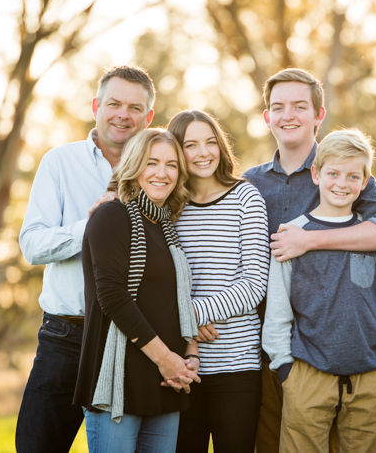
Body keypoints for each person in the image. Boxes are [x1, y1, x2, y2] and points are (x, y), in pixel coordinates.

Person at [242, 68, 376, 453]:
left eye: (300, 106)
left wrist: (308, 240)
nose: (288, 115)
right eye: (278, 107)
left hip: (335, 347)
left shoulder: (341, 167)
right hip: (269, 343)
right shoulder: (250, 182)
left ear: (318, 114)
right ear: (267, 118)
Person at [16, 66, 156, 452]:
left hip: (132, 339)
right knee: (36, 445)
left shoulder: (160, 170)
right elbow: (32, 244)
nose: (122, 115)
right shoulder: (59, 162)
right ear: (96, 106)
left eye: (134, 107)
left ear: (148, 117)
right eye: (113, 104)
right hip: (67, 336)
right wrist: (91, 226)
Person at [73, 128, 200, 453]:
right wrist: (166, 359)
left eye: (172, 165)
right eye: (151, 162)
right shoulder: (111, 215)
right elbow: (113, 297)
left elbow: (176, 299)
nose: (162, 173)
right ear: (133, 165)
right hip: (119, 380)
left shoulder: (166, 225)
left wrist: (189, 354)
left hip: (166, 382)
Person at [166, 110, 269, 453]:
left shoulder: (246, 198)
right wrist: (185, 323)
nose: (203, 152)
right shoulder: (168, 206)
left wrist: (191, 313)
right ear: (176, 151)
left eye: (211, 142)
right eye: (191, 144)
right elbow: (158, 281)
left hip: (237, 365)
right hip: (179, 364)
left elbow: (254, 284)